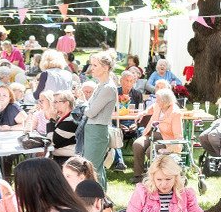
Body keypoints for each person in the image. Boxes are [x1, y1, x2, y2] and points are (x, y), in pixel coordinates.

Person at [82, 53, 118, 188]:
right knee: (95, 167)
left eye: (95, 65)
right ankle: (101, 196)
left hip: (97, 130)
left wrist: (82, 104)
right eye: (92, 65)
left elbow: (91, 112)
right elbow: (88, 108)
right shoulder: (100, 85)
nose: (92, 68)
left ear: (105, 67)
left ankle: (97, 196)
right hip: (93, 129)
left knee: (92, 168)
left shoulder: (108, 87)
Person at [131, 88, 183, 182]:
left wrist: (173, 148)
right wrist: (142, 113)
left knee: (150, 151)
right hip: (151, 133)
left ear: (165, 101)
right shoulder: (158, 105)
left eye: (158, 100)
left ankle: (153, 177)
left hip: (165, 139)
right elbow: (150, 109)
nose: (156, 101)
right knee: (137, 144)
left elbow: (178, 134)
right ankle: (138, 175)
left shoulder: (175, 113)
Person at [113, 71, 145, 171]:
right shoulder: (114, 93)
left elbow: (141, 113)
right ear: (121, 81)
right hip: (118, 123)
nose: (129, 83)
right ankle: (119, 162)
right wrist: (118, 124)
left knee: (142, 132)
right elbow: (110, 113)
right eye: (127, 80)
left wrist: (136, 124)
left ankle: (141, 164)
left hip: (133, 123)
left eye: (131, 81)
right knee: (114, 132)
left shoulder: (137, 94)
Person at [44, 91, 79, 164]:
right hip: (60, 157)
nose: (53, 105)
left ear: (66, 103)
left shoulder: (70, 121)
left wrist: (51, 120)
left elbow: (52, 141)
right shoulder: (62, 118)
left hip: (68, 160)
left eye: (56, 102)